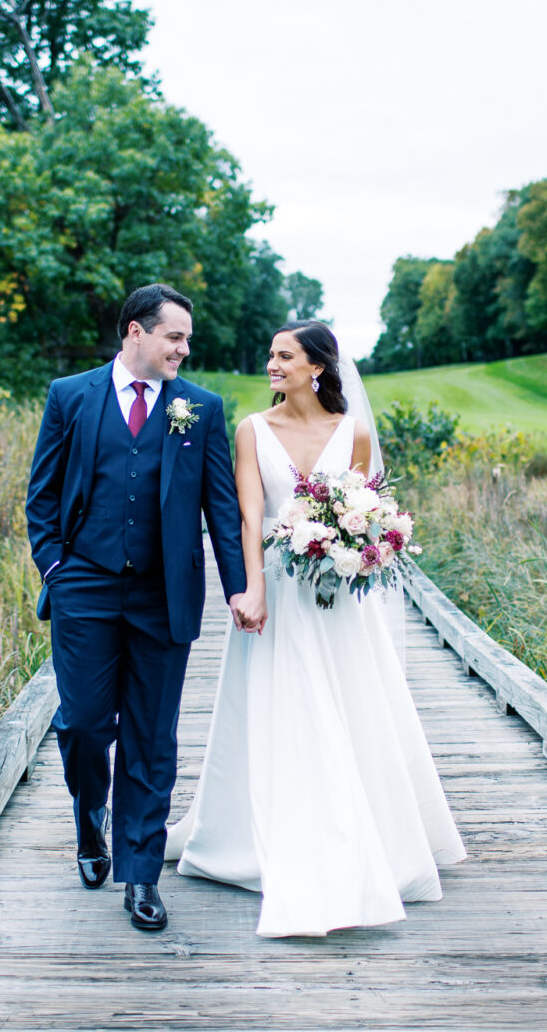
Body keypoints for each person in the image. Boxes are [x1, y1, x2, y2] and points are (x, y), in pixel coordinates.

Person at [165, 320, 466, 937]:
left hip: (335, 594)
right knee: (283, 705)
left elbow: (366, 506)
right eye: (270, 354)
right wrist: (250, 588)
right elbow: (250, 516)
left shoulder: (352, 432)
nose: (271, 365)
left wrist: (355, 541)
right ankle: (271, 833)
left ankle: (361, 832)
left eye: (284, 356)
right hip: (277, 588)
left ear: (317, 368)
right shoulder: (252, 430)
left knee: (348, 704)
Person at [25, 283, 255, 932]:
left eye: (186, 339)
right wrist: (57, 569)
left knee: (152, 739)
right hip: (85, 589)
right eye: (174, 336)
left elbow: (222, 512)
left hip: (164, 597)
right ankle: (89, 822)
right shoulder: (70, 397)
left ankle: (141, 874)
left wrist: (239, 587)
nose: (184, 348)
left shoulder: (199, 409)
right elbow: (41, 499)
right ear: (135, 332)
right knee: (86, 725)